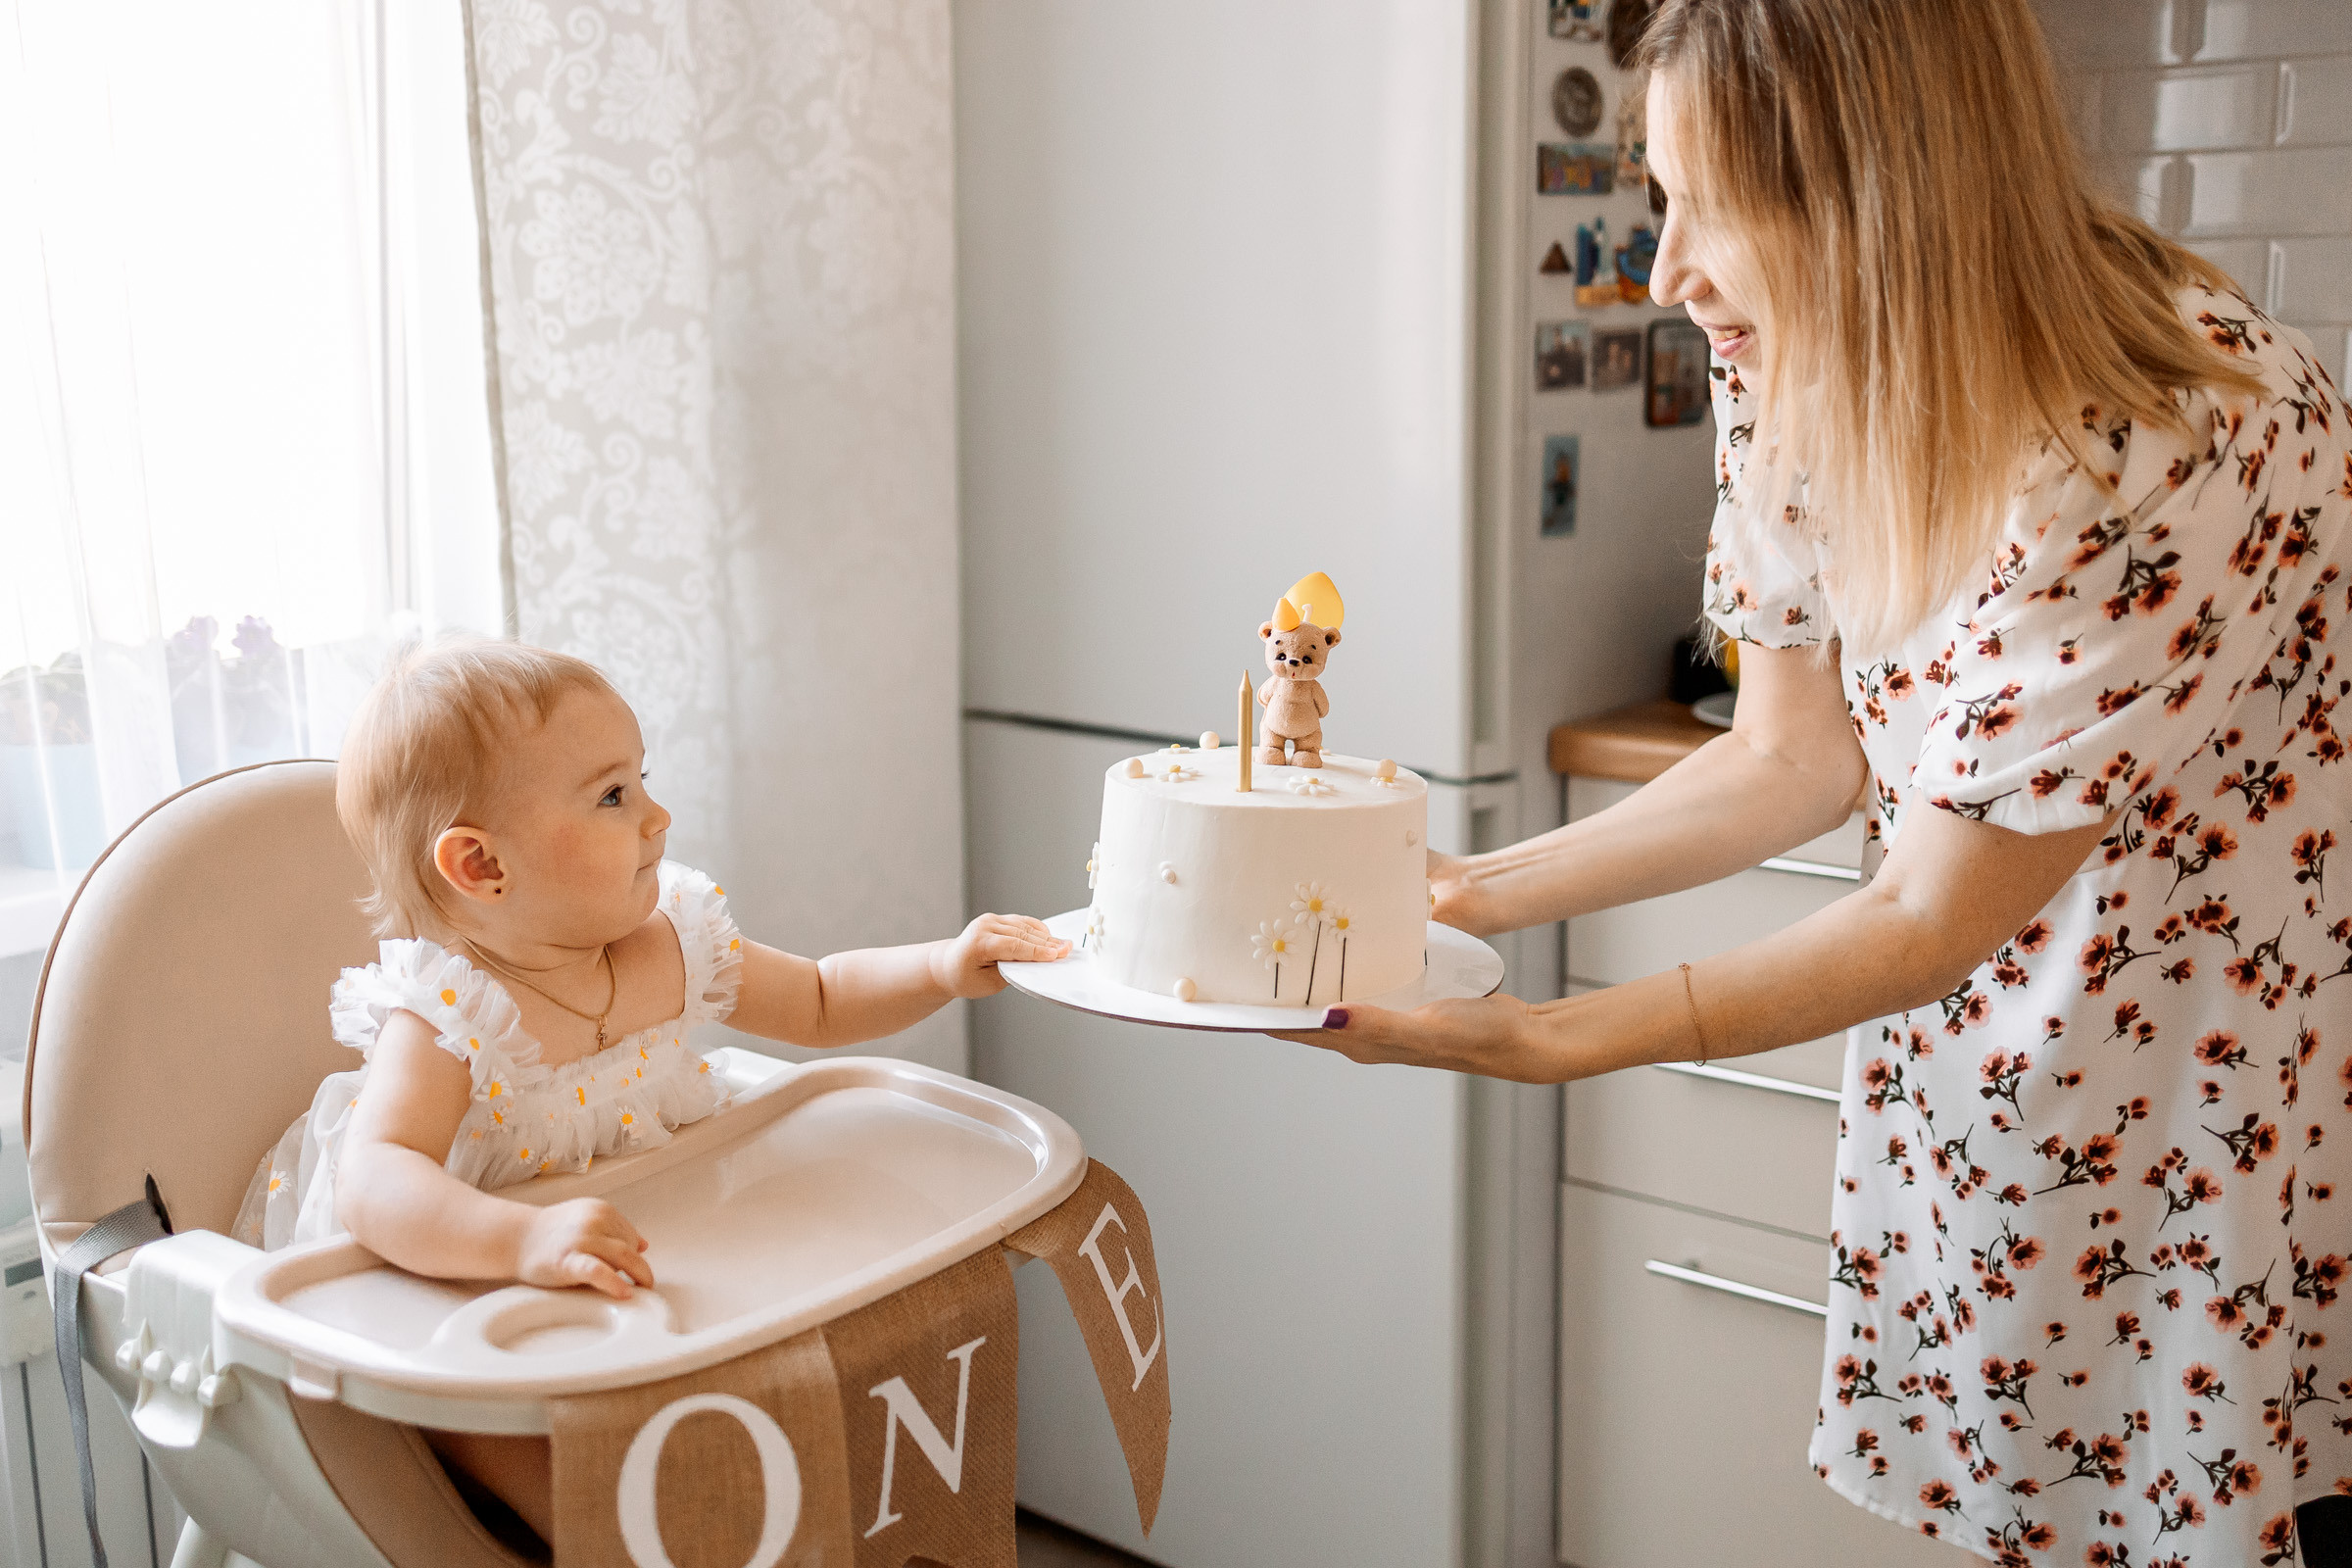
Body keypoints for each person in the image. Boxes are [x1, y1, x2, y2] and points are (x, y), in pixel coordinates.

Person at [1279, 1, 2351, 1562]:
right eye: (1662, 196)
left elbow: (1926, 905)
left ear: (1879, 186)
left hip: (2210, 1130)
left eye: (1718, 207)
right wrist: (1460, 891)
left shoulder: (2169, 426)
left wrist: (1553, 1036)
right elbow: (1790, 753)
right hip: (1976, 1093)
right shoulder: (1793, 358)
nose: (1666, 275)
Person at [233, 637, 1067, 1545]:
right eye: (612, 796)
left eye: (641, 780)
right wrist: (525, 1237)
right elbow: (376, 1181)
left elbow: (822, 998)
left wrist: (943, 965)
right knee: (589, 1499)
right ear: (481, 867)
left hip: (630, 1267)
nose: (658, 817)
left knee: (752, 1452)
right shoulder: (447, 1018)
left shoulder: (671, 946)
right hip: (453, 1288)